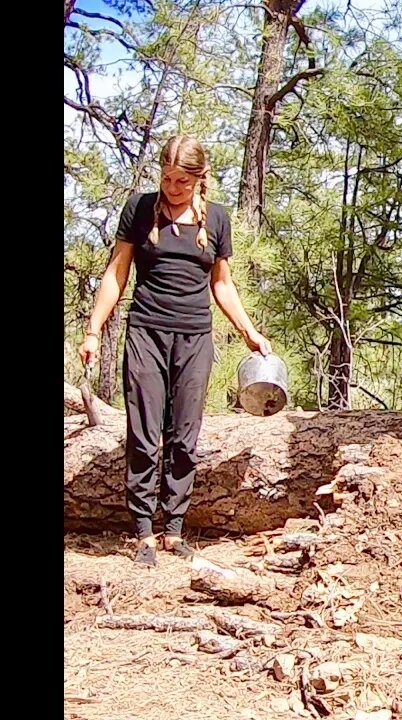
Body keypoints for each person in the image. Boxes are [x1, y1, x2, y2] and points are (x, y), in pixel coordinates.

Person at [78, 135, 272, 566]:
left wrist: (249, 332)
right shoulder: (140, 209)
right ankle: (144, 532)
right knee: (145, 434)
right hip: (146, 332)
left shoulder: (216, 220)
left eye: (182, 180)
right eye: (166, 178)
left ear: (200, 179)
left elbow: (222, 284)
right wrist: (93, 329)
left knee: (185, 435)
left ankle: (174, 529)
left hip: (195, 337)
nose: (172, 187)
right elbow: (117, 272)